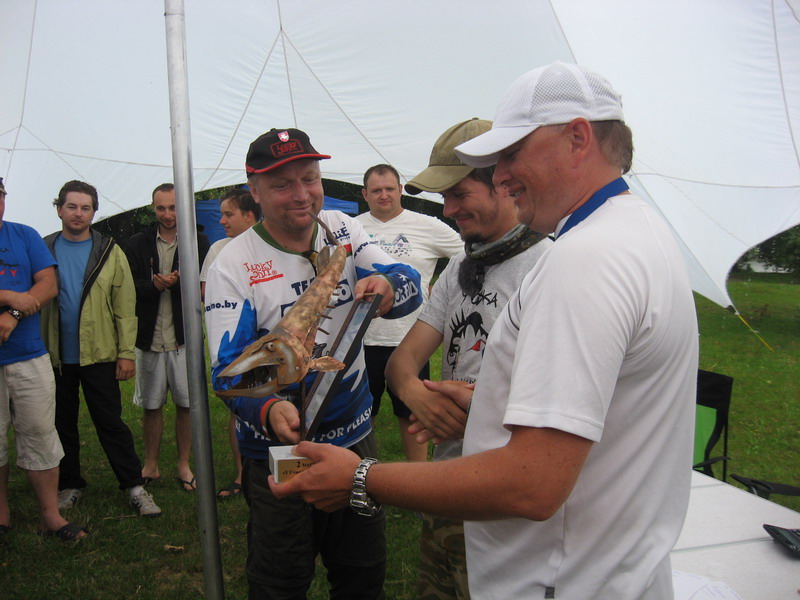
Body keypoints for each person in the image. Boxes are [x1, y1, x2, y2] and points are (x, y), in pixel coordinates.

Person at [271, 62, 700, 599]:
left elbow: (532, 484)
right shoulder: (635, 232)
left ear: (578, 138)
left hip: (558, 579)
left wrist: (360, 476)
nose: (502, 176)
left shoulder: (583, 261)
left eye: (512, 154)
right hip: (609, 570)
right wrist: (487, 406)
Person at [204, 127, 421, 599]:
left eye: (310, 178)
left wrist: (387, 287)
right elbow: (226, 372)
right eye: (282, 185)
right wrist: (268, 410)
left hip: (354, 438)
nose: (302, 194)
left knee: (362, 573)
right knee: (281, 581)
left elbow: (407, 280)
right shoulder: (233, 264)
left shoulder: (341, 228)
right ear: (255, 190)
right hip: (283, 453)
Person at [386, 117, 551, 599]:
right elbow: (402, 363)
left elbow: (555, 401)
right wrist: (419, 397)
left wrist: (477, 410)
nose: (449, 210)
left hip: (503, 493)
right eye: (444, 198)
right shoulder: (462, 263)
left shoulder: (548, 266)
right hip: (449, 480)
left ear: (503, 182)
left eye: (459, 194)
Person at [41, 180, 161, 517]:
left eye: (86, 208)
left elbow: (125, 307)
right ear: (59, 209)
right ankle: (70, 484)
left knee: (110, 423)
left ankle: (135, 486)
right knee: (62, 423)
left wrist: (126, 353)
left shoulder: (110, 251)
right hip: (55, 356)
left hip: (100, 354)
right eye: (72, 206)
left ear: (94, 212)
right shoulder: (44, 249)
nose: (78, 213)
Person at [0, 177, 89, 542]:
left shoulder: (24, 235)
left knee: (40, 433)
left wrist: (14, 314)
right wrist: (9, 295)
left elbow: (48, 284)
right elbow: (25, 293)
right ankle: (1, 515)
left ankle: (51, 516)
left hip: (28, 355)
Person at [356, 163, 462, 461]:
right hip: (361, 341)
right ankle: (360, 475)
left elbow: (467, 254)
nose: (384, 195)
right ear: (365, 194)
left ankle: (419, 478)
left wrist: (442, 287)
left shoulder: (427, 225)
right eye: (377, 190)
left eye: (390, 189)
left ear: (400, 190)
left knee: (413, 414)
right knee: (362, 415)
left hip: (412, 340)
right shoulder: (353, 228)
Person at [124, 183, 210, 491]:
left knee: (186, 404)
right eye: (161, 208)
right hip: (149, 336)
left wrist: (178, 283)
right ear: (153, 208)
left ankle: (184, 464)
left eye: (173, 207)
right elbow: (128, 286)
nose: (167, 214)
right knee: (151, 405)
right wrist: (154, 285)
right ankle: (151, 464)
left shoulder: (198, 241)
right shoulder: (138, 242)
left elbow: (204, 285)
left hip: (183, 337)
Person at [199, 189, 261, 499]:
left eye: (228, 214)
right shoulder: (219, 250)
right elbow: (206, 292)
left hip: (271, 342)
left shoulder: (271, 245)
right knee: (240, 405)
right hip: (236, 342)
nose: (222, 221)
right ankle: (241, 474)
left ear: (249, 216)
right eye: (222, 214)